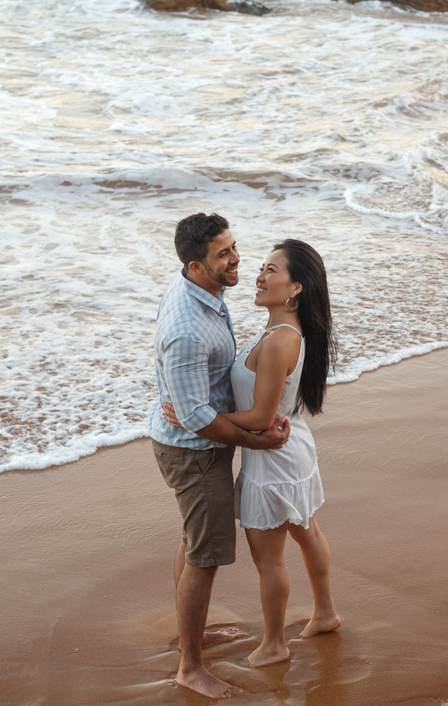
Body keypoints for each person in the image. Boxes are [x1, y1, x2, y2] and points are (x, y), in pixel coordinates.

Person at [166, 239, 341, 668]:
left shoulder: (280, 339)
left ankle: (276, 643)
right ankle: (325, 613)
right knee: (307, 531)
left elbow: (263, 416)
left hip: (274, 456)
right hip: (291, 446)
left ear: (297, 287)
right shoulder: (282, 332)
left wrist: (196, 416)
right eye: (261, 267)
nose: (259, 276)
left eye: (272, 270)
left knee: (270, 558)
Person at [150, 213, 291, 700]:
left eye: (234, 247)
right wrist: (253, 440)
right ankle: (190, 666)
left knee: (193, 543)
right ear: (195, 265)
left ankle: (194, 637)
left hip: (195, 440)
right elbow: (193, 416)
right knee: (204, 557)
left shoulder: (200, 289)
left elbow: (188, 402)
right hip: (196, 451)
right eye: (224, 255)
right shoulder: (189, 328)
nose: (237, 260)